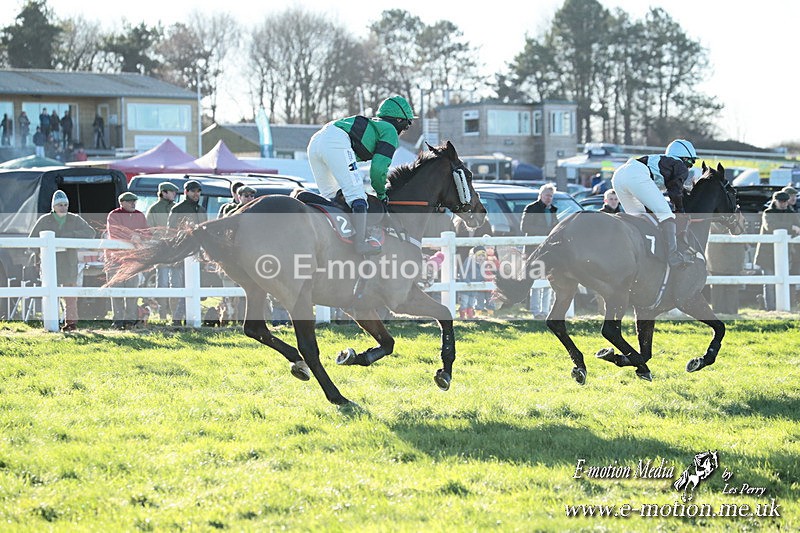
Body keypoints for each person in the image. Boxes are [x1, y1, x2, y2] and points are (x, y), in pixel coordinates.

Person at [307, 95, 416, 255]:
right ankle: (360, 243)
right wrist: (381, 193)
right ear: (399, 121)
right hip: (335, 140)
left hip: (315, 142)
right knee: (356, 194)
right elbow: (378, 170)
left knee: (332, 196)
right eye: (406, 126)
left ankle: (333, 242)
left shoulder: (376, 124)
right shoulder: (390, 130)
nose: (403, 131)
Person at [611, 139, 697, 267]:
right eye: (691, 161)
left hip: (618, 175)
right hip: (635, 175)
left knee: (638, 220)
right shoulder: (679, 165)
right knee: (667, 215)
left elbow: (651, 197)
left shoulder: (664, 163)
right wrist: (680, 210)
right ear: (684, 158)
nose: (690, 166)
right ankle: (673, 257)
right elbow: (675, 192)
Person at [28, 191, 96, 332]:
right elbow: (32, 242)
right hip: (49, 262)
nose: (63, 207)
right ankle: (51, 323)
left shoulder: (74, 219)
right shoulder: (44, 220)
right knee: (51, 293)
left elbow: (91, 233)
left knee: (70, 293)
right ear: (54, 206)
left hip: (68, 261)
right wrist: (40, 254)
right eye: (60, 205)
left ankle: (71, 323)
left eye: (66, 205)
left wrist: (70, 237)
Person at [106, 192, 149, 329]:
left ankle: (130, 319)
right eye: (129, 201)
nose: (133, 203)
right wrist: (132, 236)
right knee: (116, 290)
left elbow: (148, 232)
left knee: (132, 290)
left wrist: (139, 236)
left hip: (133, 259)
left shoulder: (140, 215)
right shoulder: (114, 214)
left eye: (134, 201)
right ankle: (118, 320)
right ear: (122, 202)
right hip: (115, 259)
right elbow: (114, 232)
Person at [168, 180, 207, 326]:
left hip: (196, 254)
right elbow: (171, 231)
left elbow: (205, 233)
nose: (196, 194)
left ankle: (188, 318)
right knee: (180, 288)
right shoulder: (177, 209)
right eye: (193, 191)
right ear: (186, 192)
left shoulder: (201, 210)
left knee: (194, 288)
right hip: (180, 253)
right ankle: (176, 318)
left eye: (198, 191)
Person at [754, 191, 799, 311]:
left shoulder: (791, 213)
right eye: (781, 201)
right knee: (769, 283)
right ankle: (771, 308)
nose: (783, 204)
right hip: (767, 254)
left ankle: (783, 307)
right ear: (775, 201)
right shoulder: (768, 213)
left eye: (785, 201)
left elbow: (798, 226)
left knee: (783, 281)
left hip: (785, 254)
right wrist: (791, 228)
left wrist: (793, 228)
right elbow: (771, 227)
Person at [521, 183, 558, 319]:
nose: (549, 198)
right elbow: (525, 227)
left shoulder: (553, 210)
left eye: (551, 196)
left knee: (548, 279)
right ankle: (536, 311)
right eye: (547, 195)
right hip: (534, 250)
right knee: (535, 280)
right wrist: (547, 233)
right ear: (541, 195)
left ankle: (546, 310)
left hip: (549, 251)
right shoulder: (531, 208)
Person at [145, 181, 180, 320]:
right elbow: (149, 230)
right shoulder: (153, 209)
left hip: (177, 252)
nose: (174, 195)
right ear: (164, 192)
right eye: (172, 192)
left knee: (177, 285)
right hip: (162, 251)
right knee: (163, 284)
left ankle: (176, 317)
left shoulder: (177, 208)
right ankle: (163, 315)